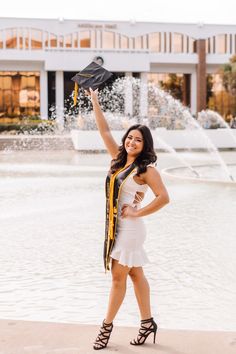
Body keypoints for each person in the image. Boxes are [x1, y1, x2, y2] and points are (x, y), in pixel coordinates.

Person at [88, 88, 170, 350]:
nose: (132, 142)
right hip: (116, 227)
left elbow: (163, 197)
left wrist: (137, 211)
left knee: (117, 278)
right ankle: (147, 323)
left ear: (145, 145)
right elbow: (104, 132)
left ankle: (105, 329)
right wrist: (95, 102)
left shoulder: (146, 170)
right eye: (130, 138)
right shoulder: (118, 160)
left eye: (138, 140)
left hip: (131, 229)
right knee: (135, 275)